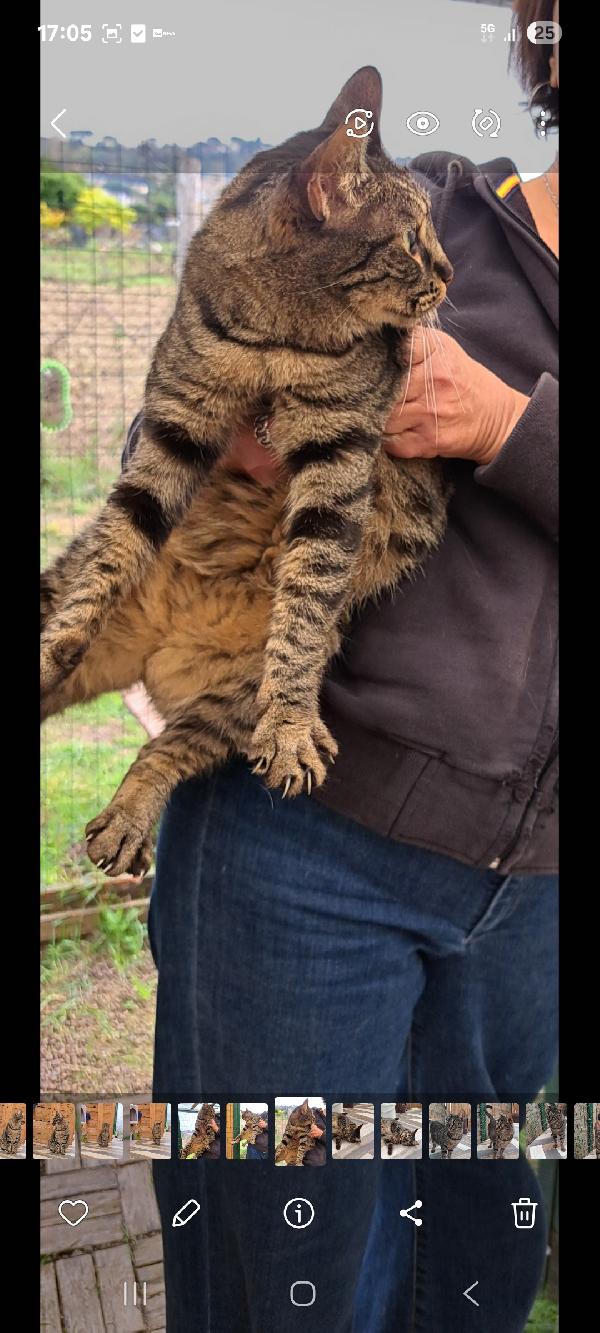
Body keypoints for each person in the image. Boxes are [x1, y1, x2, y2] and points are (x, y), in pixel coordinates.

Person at [129, 3, 558, 1327]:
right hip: (304, 847)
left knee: (469, 1277)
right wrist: (260, 418)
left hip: (538, 908)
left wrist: (504, 423)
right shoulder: (431, 216)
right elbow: (180, 441)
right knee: (280, 1285)